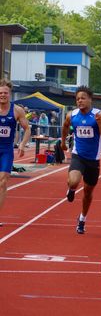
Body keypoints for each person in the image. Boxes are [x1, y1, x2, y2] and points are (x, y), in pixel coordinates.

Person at [60, 86, 101, 234]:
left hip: (93, 159)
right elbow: (65, 126)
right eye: (77, 99)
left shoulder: (99, 114)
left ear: (90, 99)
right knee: (74, 181)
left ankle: (82, 219)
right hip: (78, 155)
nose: (80, 101)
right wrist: (63, 142)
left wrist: (100, 123)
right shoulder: (72, 115)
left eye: (82, 98)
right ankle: (71, 188)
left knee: (88, 193)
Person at [0, 79, 31, 227]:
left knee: (3, 182)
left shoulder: (17, 110)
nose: (2, 95)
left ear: (10, 94)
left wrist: (23, 145)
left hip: (6, 150)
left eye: (5, 93)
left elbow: (27, 129)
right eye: (0, 93)